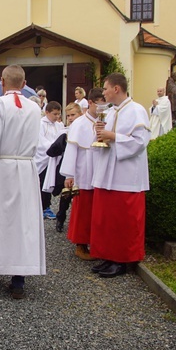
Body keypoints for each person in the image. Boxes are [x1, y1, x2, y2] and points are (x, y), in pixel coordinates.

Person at [0, 64, 46, 299]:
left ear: (2, 82)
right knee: (22, 222)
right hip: (25, 168)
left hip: (2, 168)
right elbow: (40, 143)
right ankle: (18, 280)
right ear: (24, 84)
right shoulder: (35, 109)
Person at [92, 73, 150, 278]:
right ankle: (109, 256)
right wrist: (99, 132)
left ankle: (122, 260)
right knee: (109, 218)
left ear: (117, 88)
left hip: (127, 176)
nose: (103, 92)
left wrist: (113, 136)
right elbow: (105, 140)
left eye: (106, 88)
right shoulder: (110, 112)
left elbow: (140, 141)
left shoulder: (136, 110)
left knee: (123, 220)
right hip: (109, 171)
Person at [60, 87, 105, 261]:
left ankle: (96, 242)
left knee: (97, 209)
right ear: (91, 103)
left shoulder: (104, 121)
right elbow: (71, 150)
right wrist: (69, 175)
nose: (103, 109)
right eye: (100, 105)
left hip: (100, 169)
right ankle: (80, 244)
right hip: (84, 171)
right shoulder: (79, 123)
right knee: (83, 209)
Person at [45, 103, 82, 233]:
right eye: (69, 116)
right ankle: (60, 219)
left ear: (80, 114)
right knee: (66, 196)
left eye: (73, 115)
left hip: (82, 168)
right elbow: (52, 151)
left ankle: (79, 224)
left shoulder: (86, 129)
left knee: (81, 198)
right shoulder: (65, 133)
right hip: (68, 168)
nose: (71, 118)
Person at [35, 101, 65, 220]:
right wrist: (54, 146)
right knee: (42, 182)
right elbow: (40, 141)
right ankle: (41, 207)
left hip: (54, 158)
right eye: (54, 114)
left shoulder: (59, 125)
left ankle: (47, 205)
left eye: (59, 114)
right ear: (46, 112)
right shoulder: (40, 124)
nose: (57, 117)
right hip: (43, 158)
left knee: (51, 182)